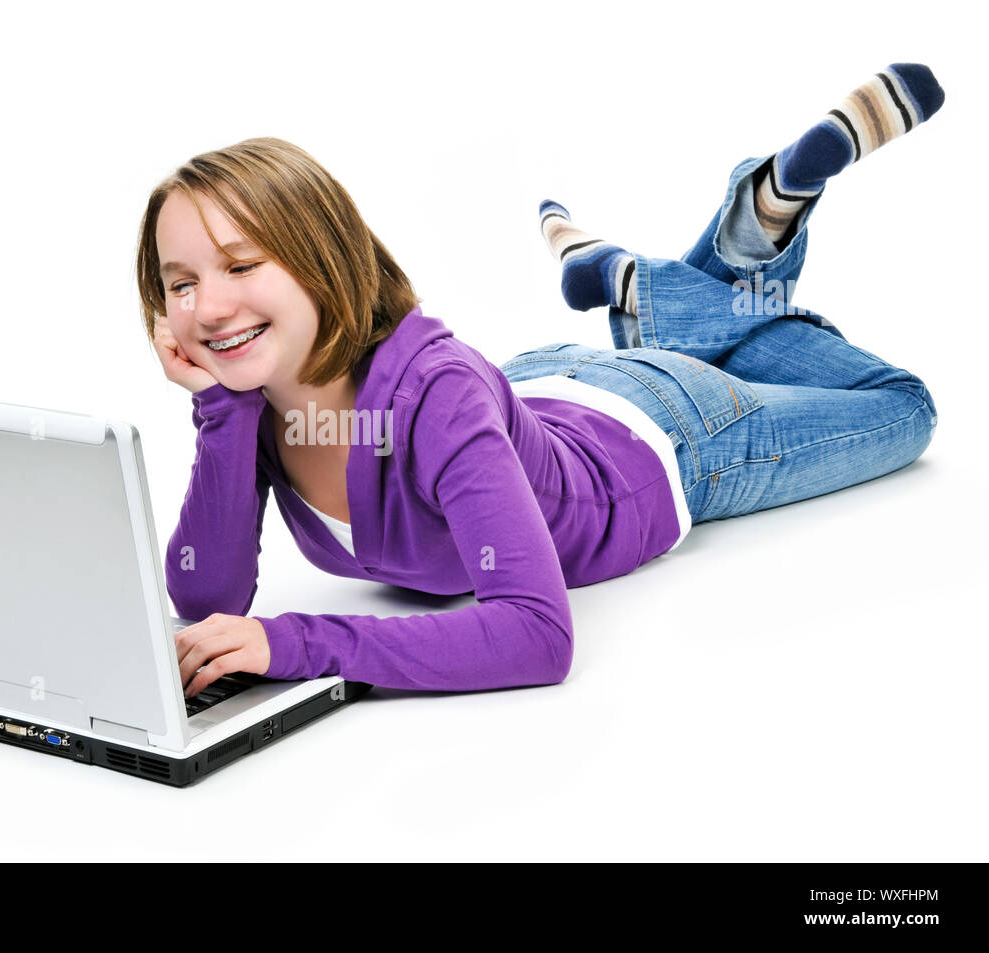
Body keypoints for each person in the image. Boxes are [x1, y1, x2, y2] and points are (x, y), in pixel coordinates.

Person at [135, 63, 944, 699]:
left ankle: (677, 283)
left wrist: (296, 644)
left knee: (904, 408)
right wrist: (218, 408)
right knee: (722, 322)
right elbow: (208, 595)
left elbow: (534, 633)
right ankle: (673, 276)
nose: (207, 306)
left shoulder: (434, 397)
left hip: (670, 433)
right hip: (535, 382)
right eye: (180, 283)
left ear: (322, 260)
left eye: (240, 264)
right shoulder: (258, 399)